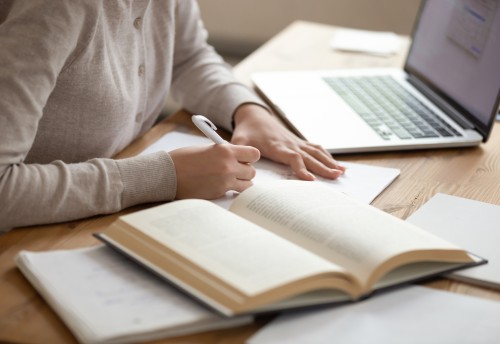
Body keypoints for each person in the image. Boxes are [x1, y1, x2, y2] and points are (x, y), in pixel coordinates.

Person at [0, 0, 344, 231]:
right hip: (29, 237)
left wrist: (248, 110)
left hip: (96, 217)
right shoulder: (54, 9)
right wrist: (164, 176)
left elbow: (188, 56)